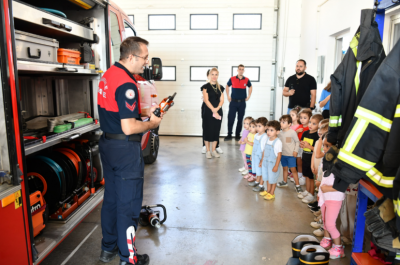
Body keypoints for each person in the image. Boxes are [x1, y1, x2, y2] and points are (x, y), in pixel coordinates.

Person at [98, 36, 162, 265]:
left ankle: (108, 249)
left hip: (107, 144)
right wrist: (151, 124)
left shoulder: (108, 75)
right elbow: (129, 126)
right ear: (132, 56)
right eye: (144, 58)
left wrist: (141, 112)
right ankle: (129, 258)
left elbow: (115, 111)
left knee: (112, 201)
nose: (146, 62)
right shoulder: (128, 84)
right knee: (129, 205)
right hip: (125, 149)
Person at [318, 134, 346, 259]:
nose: (324, 149)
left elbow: (341, 186)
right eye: (324, 145)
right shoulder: (327, 162)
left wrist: (326, 189)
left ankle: (338, 247)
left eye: (327, 146)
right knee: (325, 220)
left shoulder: (341, 167)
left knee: (330, 224)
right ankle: (327, 238)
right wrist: (320, 193)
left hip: (334, 198)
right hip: (324, 196)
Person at [298, 114, 323, 204]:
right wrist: (302, 145)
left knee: (311, 178)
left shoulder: (317, 136)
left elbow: (316, 150)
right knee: (307, 177)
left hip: (312, 160)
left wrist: (309, 146)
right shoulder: (305, 133)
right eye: (310, 122)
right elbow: (302, 144)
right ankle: (307, 191)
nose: (310, 125)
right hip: (305, 157)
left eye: (314, 124)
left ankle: (311, 194)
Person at [224, 64, 253, 141]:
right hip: (233, 102)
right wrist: (228, 95)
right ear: (237, 70)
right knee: (231, 119)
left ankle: (237, 135)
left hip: (242, 103)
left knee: (240, 119)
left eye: (242, 69)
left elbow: (250, 86)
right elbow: (227, 86)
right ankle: (229, 134)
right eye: (240, 69)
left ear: (244, 70)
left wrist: (249, 95)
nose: (241, 70)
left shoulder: (246, 79)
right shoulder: (232, 78)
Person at [202, 68, 225, 159]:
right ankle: (208, 151)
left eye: (216, 74)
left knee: (216, 131)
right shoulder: (205, 87)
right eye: (212, 74)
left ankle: (214, 150)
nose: (214, 76)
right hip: (208, 111)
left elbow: (222, 100)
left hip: (218, 111)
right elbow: (206, 100)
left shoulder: (220, 87)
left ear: (217, 76)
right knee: (207, 130)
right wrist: (213, 110)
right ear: (209, 75)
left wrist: (217, 108)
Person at [276, 115, 301, 193]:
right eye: (280, 122)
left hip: (291, 155)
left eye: (283, 122)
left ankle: (297, 185)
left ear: (289, 124)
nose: (281, 123)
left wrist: (295, 151)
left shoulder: (292, 132)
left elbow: (297, 142)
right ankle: (284, 181)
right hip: (283, 155)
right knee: (284, 168)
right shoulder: (279, 133)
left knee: (293, 170)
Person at [259, 120, 282, 201]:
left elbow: (279, 155)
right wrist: (262, 161)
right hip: (265, 162)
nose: (268, 132)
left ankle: (272, 193)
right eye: (268, 129)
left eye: (271, 130)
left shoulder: (278, 142)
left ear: (277, 132)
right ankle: (268, 191)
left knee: (273, 179)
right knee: (268, 178)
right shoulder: (267, 139)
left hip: (272, 164)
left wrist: (276, 166)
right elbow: (264, 151)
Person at [248, 117, 268, 186]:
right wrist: (251, 155)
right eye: (256, 126)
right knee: (257, 170)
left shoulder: (264, 137)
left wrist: (262, 160)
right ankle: (257, 181)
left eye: (259, 126)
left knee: (261, 171)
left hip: (260, 157)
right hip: (255, 156)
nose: (257, 128)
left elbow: (264, 150)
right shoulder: (256, 135)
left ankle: (261, 185)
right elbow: (254, 147)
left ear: (265, 127)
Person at [295, 108, 312, 185]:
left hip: (306, 148)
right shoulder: (299, 127)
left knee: (304, 162)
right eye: (301, 117)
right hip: (299, 146)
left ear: (309, 118)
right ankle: (299, 174)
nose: (302, 119)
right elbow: (294, 137)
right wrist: (296, 132)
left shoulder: (310, 127)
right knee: (298, 161)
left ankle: (304, 177)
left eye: (305, 118)